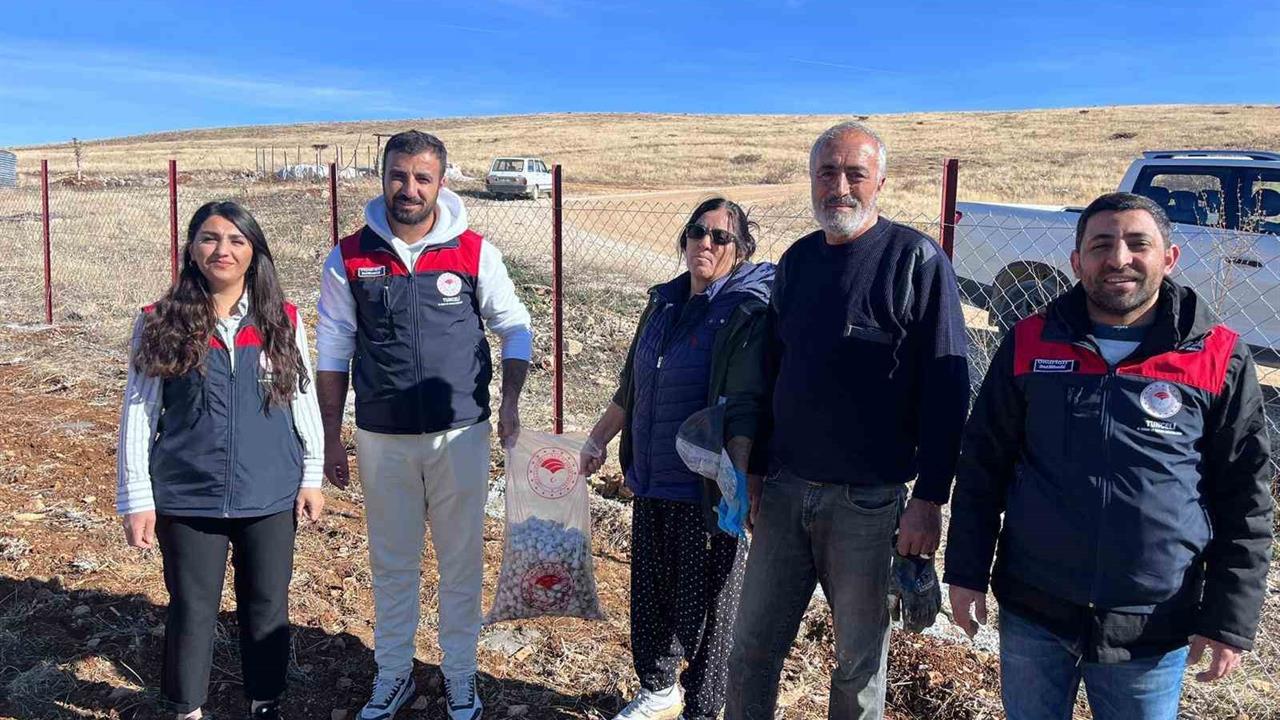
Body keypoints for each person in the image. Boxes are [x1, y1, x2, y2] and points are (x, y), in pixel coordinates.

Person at [945, 192, 1274, 720]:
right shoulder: (1030, 341)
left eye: (1137, 243)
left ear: (1169, 257)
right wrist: (965, 571)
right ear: (1077, 262)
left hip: (1151, 622)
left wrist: (1229, 618)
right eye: (1101, 245)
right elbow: (983, 466)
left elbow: (1246, 497)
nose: (1118, 258)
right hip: (1034, 610)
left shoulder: (1218, 355)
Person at [726, 121, 971, 720]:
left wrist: (930, 500)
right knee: (751, 648)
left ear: (880, 181)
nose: (839, 186)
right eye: (827, 173)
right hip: (784, 494)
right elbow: (773, 370)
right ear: (811, 180)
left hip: (870, 503)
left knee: (858, 665)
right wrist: (756, 470)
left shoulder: (914, 259)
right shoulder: (798, 262)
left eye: (854, 173)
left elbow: (948, 388)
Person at [315, 130, 533, 720]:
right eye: (398, 174)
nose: (408, 188)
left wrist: (509, 403)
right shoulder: (349, 255)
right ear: (382, 175)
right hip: (382, 436)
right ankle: (393, 675)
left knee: (461, 558)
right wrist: (331, 436)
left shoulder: (473, 251)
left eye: (422, 178)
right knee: (392, 560)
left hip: (459, 434)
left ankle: (461, 675)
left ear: (441, 183)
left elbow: (516, 326)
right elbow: (334, 349)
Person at [117, 200, 326, 720]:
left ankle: (264, 701)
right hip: (188, 496)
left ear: (254, 252)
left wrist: (312, 475)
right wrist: (136, 497)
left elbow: (303, 402)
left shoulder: (284, 321)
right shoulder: (158, 321)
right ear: (191, 248)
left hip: (270, 492)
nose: (222, 250)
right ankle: (187, 707)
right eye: (210, 238)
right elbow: (139, 413)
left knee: (266, 606)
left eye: (236, 240)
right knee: (192, 609)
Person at [580, 198, 774, 720]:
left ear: (740, 250)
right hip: (651, 478)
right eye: (696, 232)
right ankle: (659, 689)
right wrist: (598, 439)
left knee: (710, 611)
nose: (705, 243)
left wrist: (741, 477)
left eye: (719, 237)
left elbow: (749, 401)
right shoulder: (662, 304)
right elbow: (632, 386)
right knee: (651, 596)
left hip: (707, 491)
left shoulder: (745, 312)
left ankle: (704, 709)